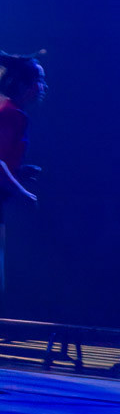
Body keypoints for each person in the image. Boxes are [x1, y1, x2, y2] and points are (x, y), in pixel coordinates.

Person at [0, 53, 46, 304]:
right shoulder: (12, 115)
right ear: (23, 84)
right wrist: (22, 193)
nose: (44, 87)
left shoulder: (6, 109)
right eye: (39, 80)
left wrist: (17, 171)